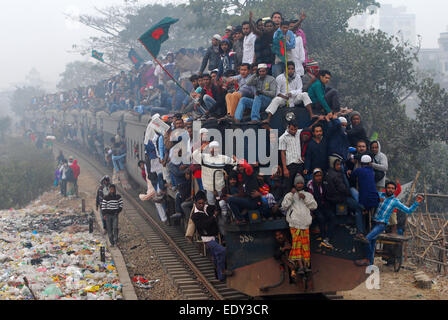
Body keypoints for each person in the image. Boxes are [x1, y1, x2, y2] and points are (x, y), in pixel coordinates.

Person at [355, 182, 424, 266]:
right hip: (373, 222)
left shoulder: (395, 202)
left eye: (392, 188)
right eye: (389, 188)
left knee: (366, 239)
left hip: (381, 224)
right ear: (385, 188)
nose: (390, 190)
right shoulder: (380, 195)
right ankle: (371, 265)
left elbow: (408, 210)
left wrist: (416, 202)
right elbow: (370, 198)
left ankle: (367, 259)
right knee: (372, 243)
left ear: (395, 190)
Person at [190, 191, 233, 282]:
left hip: (214, 236)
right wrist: (213, 216)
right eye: (199, 203)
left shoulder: (207, 208)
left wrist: (217, 198)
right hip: (207, 239)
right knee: (222, 251)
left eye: (203, 203)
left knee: (217, 256)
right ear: (195, 203)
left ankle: (220, 277)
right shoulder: (195, 215)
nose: (201, 205)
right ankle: (223, 271)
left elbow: (217, 208)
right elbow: (204, 225)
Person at [281, 174, 317, 276]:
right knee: (297, 245)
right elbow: (284, 206)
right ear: (295, 184)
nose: (300, 185)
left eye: (301, 183)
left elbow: (314, 206)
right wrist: (292, 196)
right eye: (298, 183)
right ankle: (300, 266)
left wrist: (305, 198)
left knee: (305, 246)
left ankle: (306, 266)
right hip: (294, 224)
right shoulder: (289, 195)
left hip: (305, 224)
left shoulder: (308, 195)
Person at [307, 168, 335, 249]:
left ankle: (328, 237)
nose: (319, 177)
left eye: (320, 175)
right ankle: (323, 237)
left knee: (332, 216)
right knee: (321, 218)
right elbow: (310, 198)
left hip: (324, 205)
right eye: (317, 176)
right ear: (313, 176)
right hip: (315, 206)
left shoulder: (324, 183)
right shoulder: (310, 185)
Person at [279, 122, 304, 190]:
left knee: (300, 186)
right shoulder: (282, 138)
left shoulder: (299, 132)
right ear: (288, 127)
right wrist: (285, 169)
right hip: (290, 166)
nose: (293, 131)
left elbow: (309, 128)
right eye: (292, 129)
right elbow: (282, 153)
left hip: (300, 164)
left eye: (295, 129)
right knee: (288, 187)